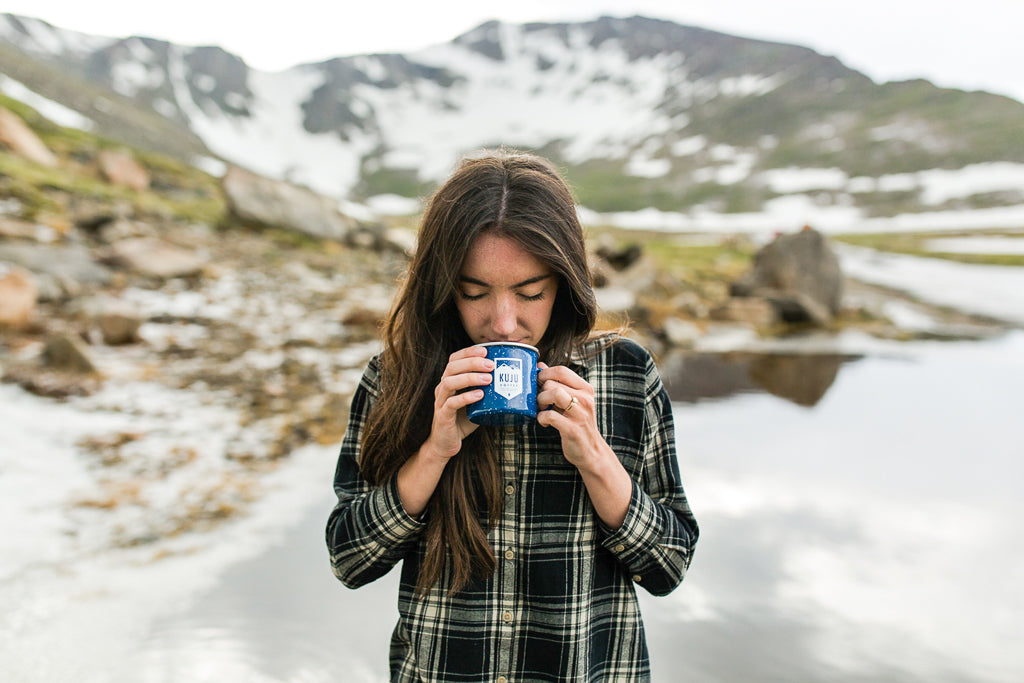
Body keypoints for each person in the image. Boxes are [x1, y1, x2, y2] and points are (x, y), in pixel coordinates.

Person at [326, 149, 698, 682]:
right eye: (473, 292)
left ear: (564, 284)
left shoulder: (626, 377)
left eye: (530, 293)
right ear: (443, 287)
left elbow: (669, 566)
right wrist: (434, 452)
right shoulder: (396, 379)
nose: (503, 323)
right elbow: (349, 559)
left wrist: (596, 459)